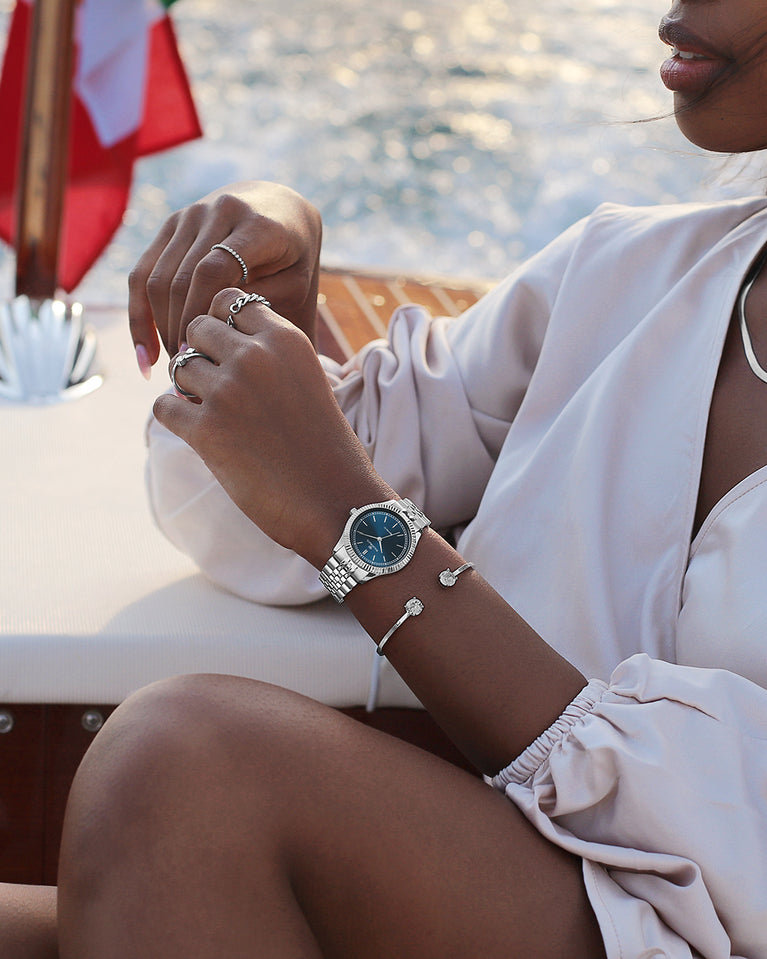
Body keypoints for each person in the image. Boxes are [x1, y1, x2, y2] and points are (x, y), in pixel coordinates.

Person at [4, 0, 767, 955]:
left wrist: (348, 518)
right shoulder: (627, 273)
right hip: (505, 875)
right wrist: (264, 303)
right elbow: (261, 520)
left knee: (191, 761)